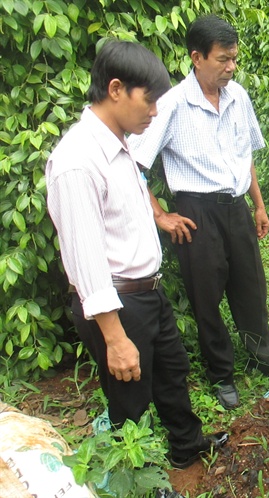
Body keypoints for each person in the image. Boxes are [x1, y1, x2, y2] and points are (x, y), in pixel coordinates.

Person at [46, 40, 228, 470]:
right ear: (115, 90)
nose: (154, 112)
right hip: (117, 304)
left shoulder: (119, 143)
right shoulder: (77, 161)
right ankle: (141, 479)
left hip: (147, 293)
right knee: (129, 399)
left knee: (172, 372)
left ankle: (186, 445)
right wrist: (115, 337)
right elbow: (86, 261)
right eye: (149, 101)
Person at [127, 15, 269, 411]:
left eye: (234, 59)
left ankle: (264, 361)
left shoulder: (239, 97)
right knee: (207, 297)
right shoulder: (170, 105)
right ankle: (221, 374)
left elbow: (244, 153)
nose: (231, 67)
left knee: (251, 287)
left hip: (235, 208)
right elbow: (133, 164)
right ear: (196, 58)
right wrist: (161, 214)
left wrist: (259, 203)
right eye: (223, 59)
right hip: (196, 214)